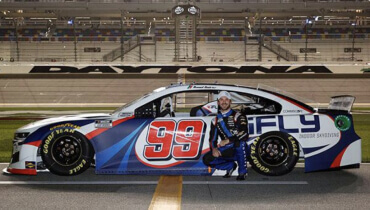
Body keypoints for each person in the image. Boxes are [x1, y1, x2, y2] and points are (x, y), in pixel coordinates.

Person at [203, 91, 249, 180]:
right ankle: (230, 166)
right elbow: (212, 139)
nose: (224, 102)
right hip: (227, 149)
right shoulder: (215, 120)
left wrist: (228, 140)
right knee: (207, 158)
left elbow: (245, 133)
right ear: (218, 102)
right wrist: (214, 149)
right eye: (221, 99)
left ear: (230, 101)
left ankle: (242, 172)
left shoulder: (238, 116)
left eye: (226, 99)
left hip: (240, 148)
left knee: (240, 144)